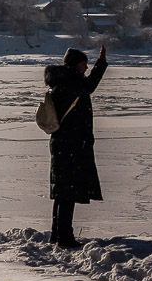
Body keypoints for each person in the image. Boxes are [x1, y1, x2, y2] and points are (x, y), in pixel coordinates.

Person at [45, 45, 108, 248]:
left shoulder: (61, 82)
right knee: (67, 193)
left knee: (62, 193)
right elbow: (89, 86)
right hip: (69, 144)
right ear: (74, 65)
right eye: (84, 64)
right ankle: (65, 238)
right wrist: (101, 64)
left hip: (62, 143)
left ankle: (57, 235)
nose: (86, 68)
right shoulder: (71, 82)